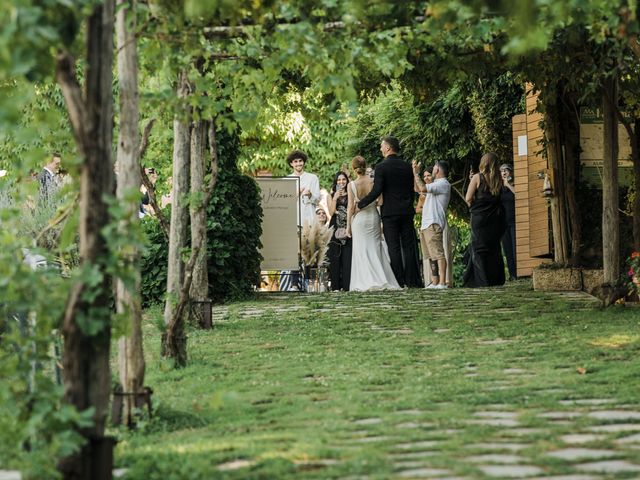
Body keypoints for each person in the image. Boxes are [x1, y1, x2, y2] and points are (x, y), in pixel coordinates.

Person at [356, 136, 422, 288]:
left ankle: (399, 280)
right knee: (409, 246)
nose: (380, 149)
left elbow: (377, 190)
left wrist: (361, 204)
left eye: (381, 146)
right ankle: (413, 280)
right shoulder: (407, 166)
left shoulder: (381, 167)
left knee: (394, 247)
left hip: (390, 212)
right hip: (406, 211)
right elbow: (412, 190)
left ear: (387, 148)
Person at [347, 156, 400, 291]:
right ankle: (381, 278)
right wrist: (372, 204)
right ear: (365, 166)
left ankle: (365, 280)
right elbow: (380, 202)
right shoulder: (374, 181)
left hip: (359, 220)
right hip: (373, 217)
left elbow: (350, 207)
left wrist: (348, 226)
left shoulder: (351, 185)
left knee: (361, 250)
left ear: (354, 169)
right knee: (375, 248)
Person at [463, 152, 506, 287]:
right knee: (494, 248)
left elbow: (468, 198)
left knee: (479, 249)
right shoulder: (499, 179)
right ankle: (496, 279)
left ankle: (482, 281)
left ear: (483, 163)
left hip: (479, 218)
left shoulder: (477, 177)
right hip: (495, 219)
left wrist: (474, 206)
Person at [413, 160, 452, 289]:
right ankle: (434, 282)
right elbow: (418, 188)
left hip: (433, 222)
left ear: (437, 170)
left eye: (434, 168)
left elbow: (422, 187)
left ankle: (442, 282)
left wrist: (417, 174)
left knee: (438, 253)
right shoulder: (435, 184)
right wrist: (414, 173)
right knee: (430, 255)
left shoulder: (443, 184)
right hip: (426, 224)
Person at [327, 171, 352, 291]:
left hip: (348, 227)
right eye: (339, 180)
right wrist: (335, 198)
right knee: (335, 256)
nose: (341, 182)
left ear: (347, 181)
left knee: (348, 256)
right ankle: (336, 286)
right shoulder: (330, 195)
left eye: (343, 180)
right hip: (335, 227)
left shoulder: (351, 193)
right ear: (335, 182)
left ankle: (347, 285)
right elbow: (331, 213)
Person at [287, 150, 320, 227]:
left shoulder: (312, 178)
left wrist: (310, 195)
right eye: (295, 161)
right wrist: (297, 193)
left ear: (304, 162)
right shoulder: (287, 179)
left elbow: (317, 200)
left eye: (300, 161)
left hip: (309, 219)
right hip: (293, 219)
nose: (298, 163)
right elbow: (285, 202)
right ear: (291, 163)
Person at [500, 164, 517, 281]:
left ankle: (520, 272)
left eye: (506, 170)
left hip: (515, 221)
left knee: (516, 248)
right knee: (507, 250)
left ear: (511, 172)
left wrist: (508, 185)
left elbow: (519, 195)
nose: (504, 172)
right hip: (503, 223)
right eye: (501, 171)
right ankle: (512, 275)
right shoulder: (499, 188)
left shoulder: (514, 185)